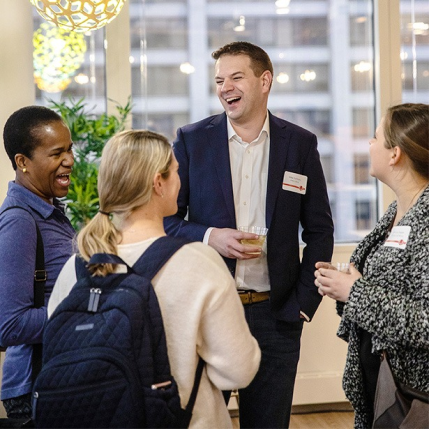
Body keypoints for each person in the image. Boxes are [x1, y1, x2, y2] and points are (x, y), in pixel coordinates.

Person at [164, 41, 334, 428]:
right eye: (220, 80)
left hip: (278, 315)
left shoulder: (300, 144)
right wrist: (211, 236)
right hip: (208, 313)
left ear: (265, 80)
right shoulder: (193, 141)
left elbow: (320, 229)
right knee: (201, 422)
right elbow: (167, 221)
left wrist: (303, 304)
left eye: (236, 77)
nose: (225, 87)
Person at [48, 129, 261, 428]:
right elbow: (239, 370)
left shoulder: (76, 267)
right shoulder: (198, 263)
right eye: (175, 172)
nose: (180, 180)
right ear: (158, 183)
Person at [314, 103, 429, 428]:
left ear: (395, 154)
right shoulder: (399, 210)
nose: (369, 144)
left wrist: (356, 292)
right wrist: (347, 288)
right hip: (383, 384)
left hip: (413, 398)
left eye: (375, 137)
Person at [0, 106, 75, 419]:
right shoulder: (19, 222)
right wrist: (79, 310)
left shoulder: (50, 211)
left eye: (69, 149)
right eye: (57, 153)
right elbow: (8, 326)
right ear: (23, 162)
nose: (69, 160)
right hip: (36, 387)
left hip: (57, 375)